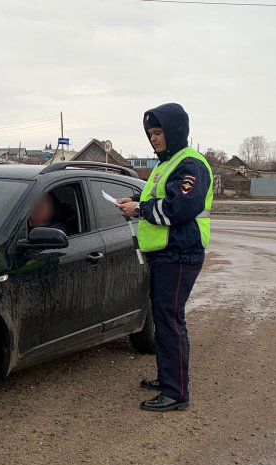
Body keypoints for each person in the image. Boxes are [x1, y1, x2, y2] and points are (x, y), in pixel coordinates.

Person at [117, 103, 213, 412]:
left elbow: (178, 208)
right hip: (166, 254)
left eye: (158, 133)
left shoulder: (190, 165)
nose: (153, 139)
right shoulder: (167, 163)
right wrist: (135, 200)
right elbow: (160, 195)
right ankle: (168, 378)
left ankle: (177, 393)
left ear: (175, 131)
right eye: (150, 134)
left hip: (181, 254)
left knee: (170, 321)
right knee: (163, 318)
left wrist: (140, 210)